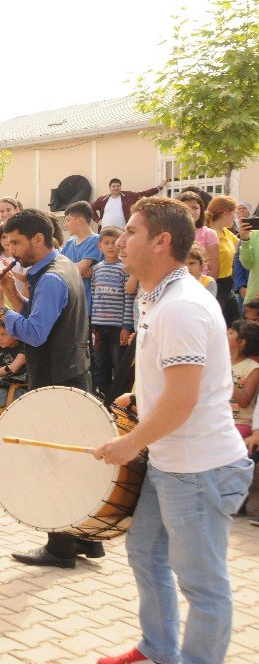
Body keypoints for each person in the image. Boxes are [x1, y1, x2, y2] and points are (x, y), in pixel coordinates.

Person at [93, 196, 254, 664]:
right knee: (145, 552)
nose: (121, 242)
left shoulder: (181, 307)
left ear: (162, 241)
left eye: (133, 233)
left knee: (204, 586)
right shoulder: (158, 296)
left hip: (200, 469)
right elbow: (176, 381)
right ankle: (158, 648)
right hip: (172, 463)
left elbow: (183, 400)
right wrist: (139, 397)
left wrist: (128, 444)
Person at [0, 208, 103, 569]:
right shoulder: (61, 266)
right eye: (8, 244)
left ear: (38, 239)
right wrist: (11, 293)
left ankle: (60, 548)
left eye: (16, 242)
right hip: (70, 374)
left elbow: (34, 333)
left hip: (57, 380)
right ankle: (87, 541)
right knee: (73, 460)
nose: (13, 251)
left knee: (55, 462)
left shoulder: (50, 278)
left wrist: (0, 310)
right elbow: (38, 315)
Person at [88, 226, 135, 398]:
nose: (110, 247)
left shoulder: (125, 269)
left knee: (119, 364)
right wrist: (93, 322)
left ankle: (120, 399)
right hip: (98, 326)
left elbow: (128, 298)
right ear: (99, 246)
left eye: (114, 243)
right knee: (100, 364)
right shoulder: (97, 269)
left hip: (117, 327)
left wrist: (126, 326)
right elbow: (94, 295)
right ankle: (105, 398)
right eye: (106, 243)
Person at [61, 201, 104, 312]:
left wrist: (76, 269)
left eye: (68, 220)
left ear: (80, 220)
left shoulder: (95, 240)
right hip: (70, 305)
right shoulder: (70, 243)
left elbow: (80, 268)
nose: (66, 224)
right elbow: (56, 267)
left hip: (87, 307)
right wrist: (76, 269)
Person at [206, 195, 242, 325]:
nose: (235, 217)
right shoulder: (210, 234)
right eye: (234, 213)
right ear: (225, 213)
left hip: (228, 284)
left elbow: (240, 245)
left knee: (236, 323)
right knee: (216, 324)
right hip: (216, 284)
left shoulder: (226, 232)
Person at [91, 177, 168, 228]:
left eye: (118, 186)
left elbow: (144, 194)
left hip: (122, 232)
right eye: (114, 186)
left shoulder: (128, 196)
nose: (116, 188)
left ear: (121, 187)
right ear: (109, 187)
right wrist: (98, 220)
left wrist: (160, 187)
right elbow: (90, 208)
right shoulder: (102, 200)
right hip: (105, 232)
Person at [228, 320, 259, 438]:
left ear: (241, 342)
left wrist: (229, 381)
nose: (227, 332)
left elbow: (244, 401)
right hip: (220, 422)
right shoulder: (221, 361)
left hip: (241, 423)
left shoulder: (253, 368)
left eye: (231, 333)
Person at [177, 191, 219, 277]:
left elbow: (214, 267)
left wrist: (205, 288)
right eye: (186, 208)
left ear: (201, 210)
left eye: (195, 208)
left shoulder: (209, 234)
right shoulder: (171, 233)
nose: (191, 212)